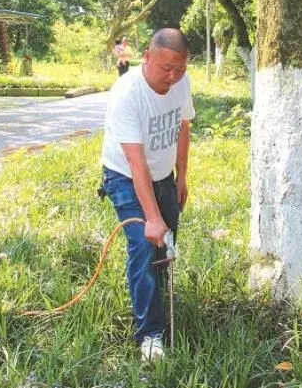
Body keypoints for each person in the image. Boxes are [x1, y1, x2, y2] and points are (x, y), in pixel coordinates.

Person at [100, 28, 194, 362]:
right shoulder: (127, 94)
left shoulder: (182, 83)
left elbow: (183, 126)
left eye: (179, 69)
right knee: (144, 243)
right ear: (147, 57)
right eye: (165, 68)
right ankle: (150, 335)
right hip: (125, 176)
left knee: (165, 246)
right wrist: (152, 217)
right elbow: (135, 162)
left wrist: (181, 177)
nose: (172, 77)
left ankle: (155, 296)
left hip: (163, 174)